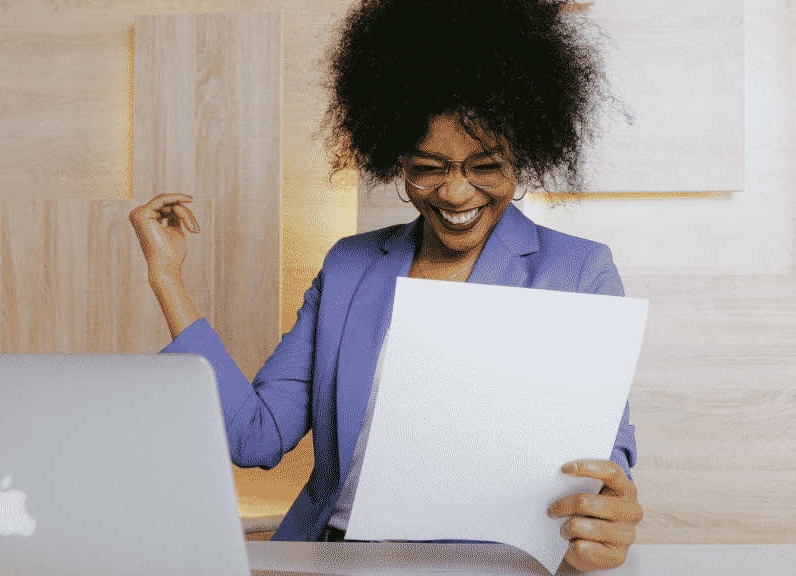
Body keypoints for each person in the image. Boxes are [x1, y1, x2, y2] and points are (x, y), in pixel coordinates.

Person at [129, 0, 642, 571]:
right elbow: (254, 438)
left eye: (486, 166)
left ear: (524, 154)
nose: (455, 193)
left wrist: (606, 512)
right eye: (428, 167)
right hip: (333, 560)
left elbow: (605, 453)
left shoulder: (576, 273)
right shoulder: (350, 267)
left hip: (489, 567)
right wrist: (167, 279)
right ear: (396, 157)